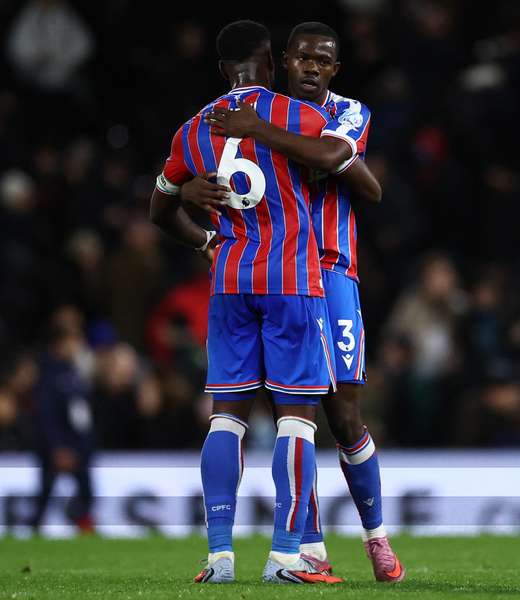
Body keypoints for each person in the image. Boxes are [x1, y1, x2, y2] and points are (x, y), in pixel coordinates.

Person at [183, 21, 403, 583]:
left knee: (345, 414)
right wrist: (186, 190)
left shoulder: (345, 112)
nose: (310, 66)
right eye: (301, 57)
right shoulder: (263, 110)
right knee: (289, 411)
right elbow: (214, 170)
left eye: (321, 60)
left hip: (334, 272)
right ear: (282, 61)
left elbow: (347, 166)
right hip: (282, 273)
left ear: (334, 69)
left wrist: (262, 130)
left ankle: (375, 537)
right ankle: (305, 546)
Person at [148, 20, 341, 585]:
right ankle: (285, 556)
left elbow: (158, 208)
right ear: (272, 62)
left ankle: (218, 558)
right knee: (297, 420)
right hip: (290, 279)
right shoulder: (298, 116)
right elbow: (334, 157)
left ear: (221, 69)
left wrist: (198, 223)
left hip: (228, 280)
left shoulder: (191, 132)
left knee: (226, 417)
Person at [30, 305, 95, 534]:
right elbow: (46, 414)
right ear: (60, 344)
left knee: (85, 489)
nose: (77, 346)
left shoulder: (73, 372)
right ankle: (34, 526)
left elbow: (81, 413)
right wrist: (58, 446)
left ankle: (82, 523)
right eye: (73, 341)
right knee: (46, 488)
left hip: (77, 444)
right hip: (58, 445)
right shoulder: (49, 374)